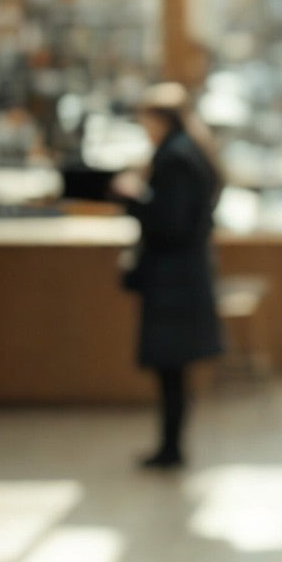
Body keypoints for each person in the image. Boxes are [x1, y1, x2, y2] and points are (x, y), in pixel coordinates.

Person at [111, 82, 223, 469]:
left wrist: (132, 198)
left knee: (171, 367)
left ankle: (170, 447)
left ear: (159, 118)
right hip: (184, 275)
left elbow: (170, 223)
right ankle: (170, 444)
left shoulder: (174, 157)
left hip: (173, 279)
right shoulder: (190, 151)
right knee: (173, 367)